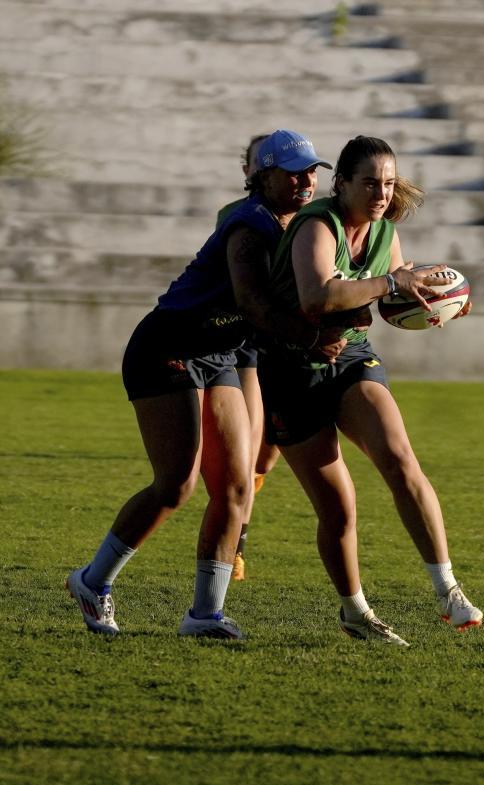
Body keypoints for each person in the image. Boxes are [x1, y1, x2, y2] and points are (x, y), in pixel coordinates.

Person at [66, 130, 334, 637]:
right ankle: (92, 580)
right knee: (176, 484)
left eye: (312, 171)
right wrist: (312, 336)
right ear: (264, 177)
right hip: (167, 347)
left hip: (220, 352)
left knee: (235, 486)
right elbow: (254, 304)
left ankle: (205, 614)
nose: (307, 180)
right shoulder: (250, 224)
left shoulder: (296, 224)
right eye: (294, 171)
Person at [259, 135, 483, 647]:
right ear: (342, 183)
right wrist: (393, 283)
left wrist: (437, 302)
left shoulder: (385, 230)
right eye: (369, 183)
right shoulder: (318, 226)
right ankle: (355, 611)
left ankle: (447, 588)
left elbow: (389, 302)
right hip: (289, 370)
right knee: (338, 508)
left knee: (400, 459)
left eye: (387, 182)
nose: (381, 193)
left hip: (351, 357)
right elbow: (320, 296)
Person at [216, 134, 284, 582]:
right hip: (248, 340)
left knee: (269, 453)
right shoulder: (237, 217)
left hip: (287, 340)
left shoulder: (310, 217)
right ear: (252, 172)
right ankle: (236, 544)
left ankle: (239, 521)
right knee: (253, 444)